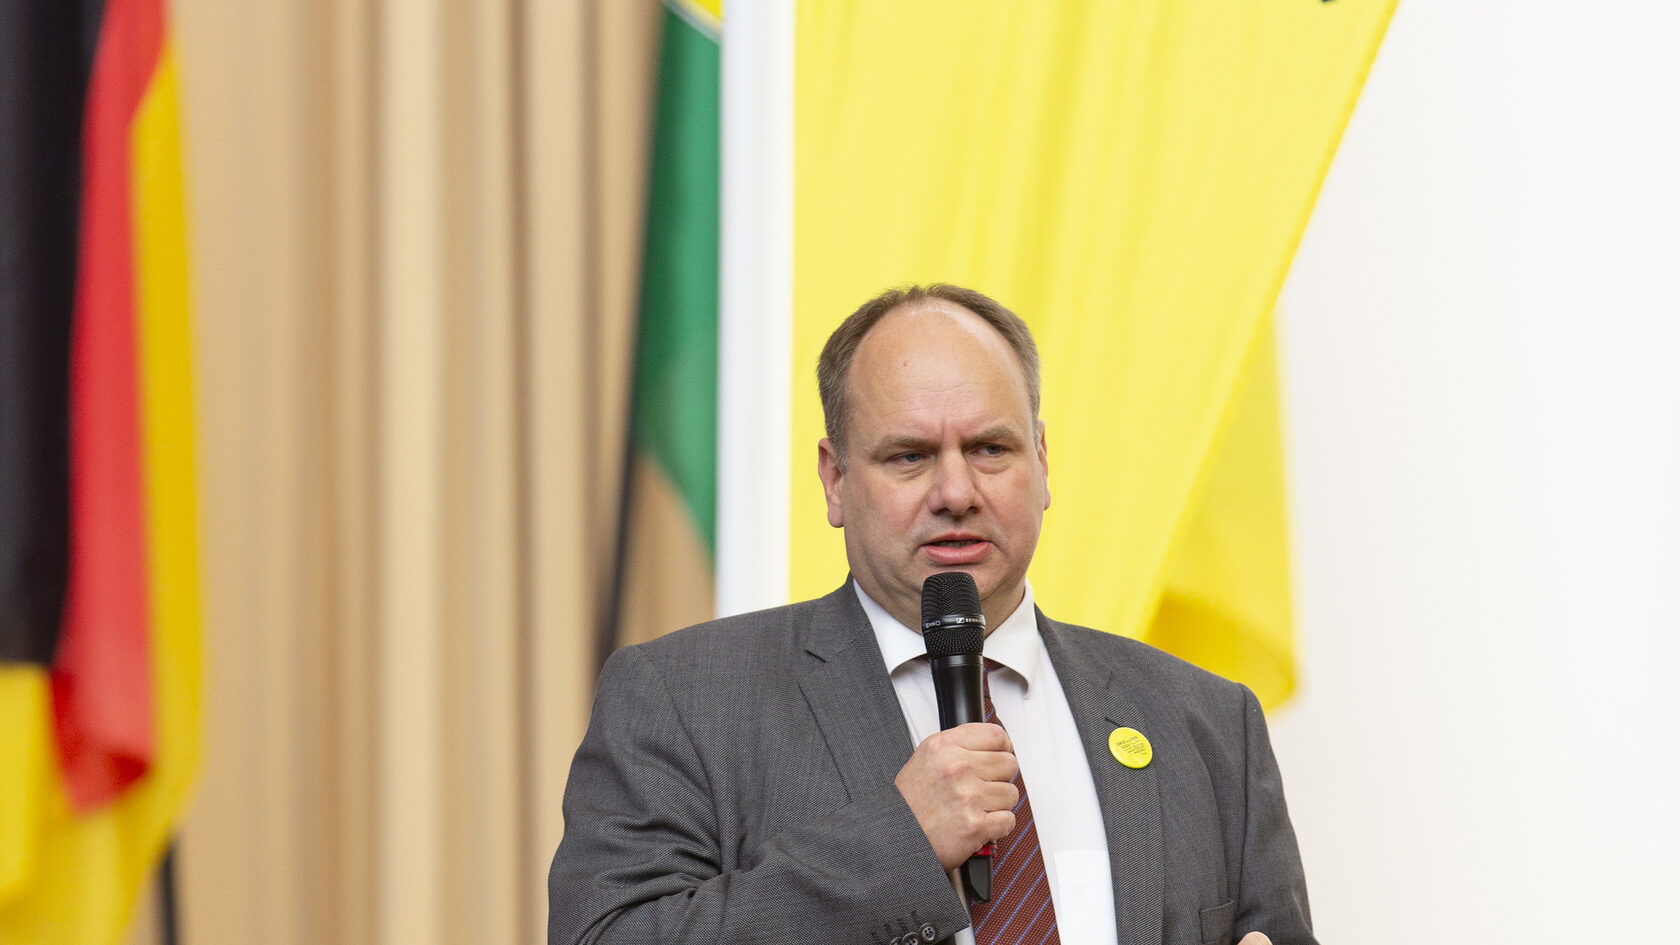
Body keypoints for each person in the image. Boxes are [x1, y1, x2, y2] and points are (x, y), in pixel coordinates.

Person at [549, 284, 1314, 945]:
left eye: (990, 448)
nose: (956, 490)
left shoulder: (1207, 723)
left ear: (1042, 462)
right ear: (835, 478)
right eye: (909, 456)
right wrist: (897, 844)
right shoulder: (687, 699)